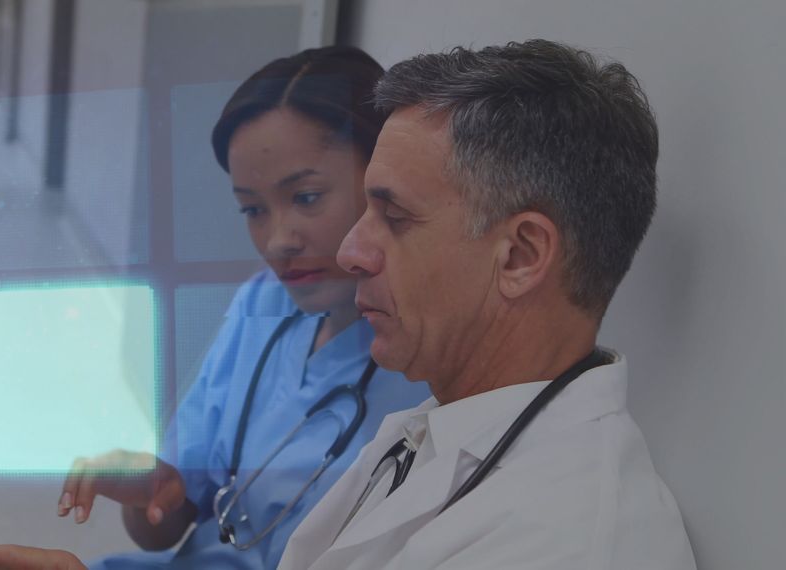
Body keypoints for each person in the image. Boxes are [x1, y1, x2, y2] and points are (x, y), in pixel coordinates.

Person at [0, 46, 431, 570]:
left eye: (306, 197)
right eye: (252, 210)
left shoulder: (429, 367)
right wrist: (152, 490)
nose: (278, 240)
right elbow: (164, 524)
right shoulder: (263, 303)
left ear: (383, 184)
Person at [276, 40, 698, 569]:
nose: (350, 252)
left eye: (395, 217)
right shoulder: (438, 431)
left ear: (521, 256)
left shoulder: (568, 544)